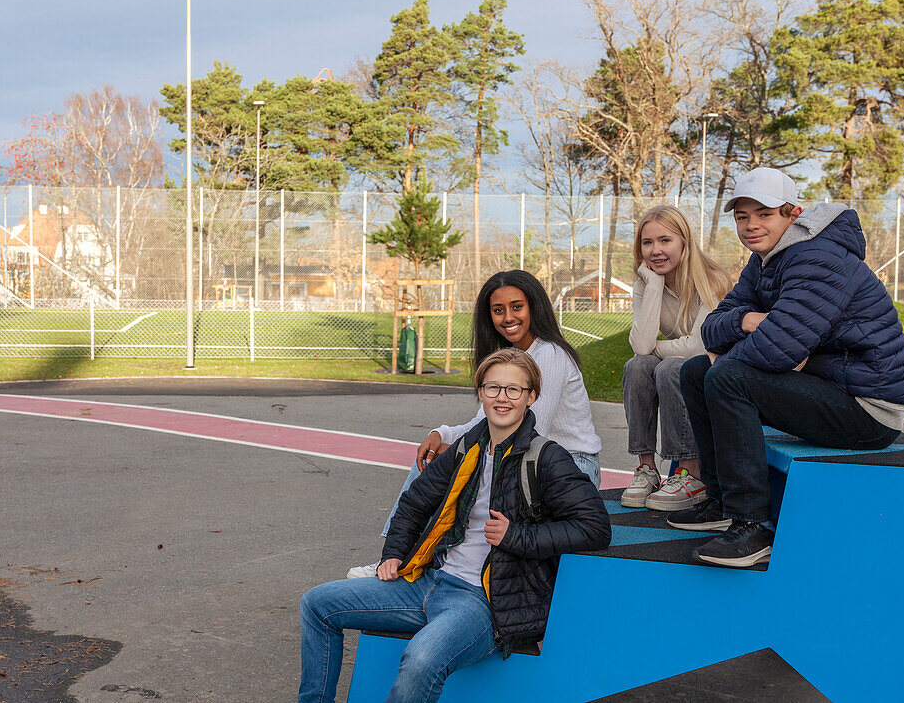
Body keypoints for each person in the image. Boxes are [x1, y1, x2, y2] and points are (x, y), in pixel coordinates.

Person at [299, 348, 611, 702]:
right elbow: (415, 502)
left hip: (482, 602)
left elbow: (595, 527)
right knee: (317, 605)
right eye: (493, 388)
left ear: (531, 397)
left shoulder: (546, 457)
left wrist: (516, 536)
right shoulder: (467, 447)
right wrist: (394, 554)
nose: (502, 398)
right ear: (481, 393)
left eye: (514, 390)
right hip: (428, 582)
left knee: (420, 659)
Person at [667, 167, 904, 568]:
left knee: (726, 376)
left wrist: (729, 351)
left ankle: (753, 526)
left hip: (868, 410)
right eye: (742, 216)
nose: (751, 225)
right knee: (698, 370)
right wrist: (745, 321)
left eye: (764, 214)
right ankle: (720, 501)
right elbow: (711, 327)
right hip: (831, 389)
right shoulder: (765, 259)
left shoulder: (819, 257)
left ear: (792, 214)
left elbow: (779, 349)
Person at [347, 269, 602, 578]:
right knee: (430, 459)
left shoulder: (549, 354)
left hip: (567, 466)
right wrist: (441, 433)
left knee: (457, 465)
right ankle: (397, 555)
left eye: (516, 306)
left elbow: (528, 430)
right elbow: (486, 422)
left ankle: (434, 560)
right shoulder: (509, 355)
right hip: (528, 458)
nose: (508, 317)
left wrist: (456, 449)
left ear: (534, 307)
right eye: (498, 310)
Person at [620, 205, 732, 511]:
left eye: (665, 240)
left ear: (684, 241)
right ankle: (647, 469)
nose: (655, 250)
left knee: (670, 368)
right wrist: (654, 284)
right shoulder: (646, 282)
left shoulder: (712, 279)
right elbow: (641, 349)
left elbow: (700, 346)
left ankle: (690, 473)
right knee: (638, 366)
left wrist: (659, 349)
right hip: (680, 362)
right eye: (647, 243)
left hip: (717, 369)